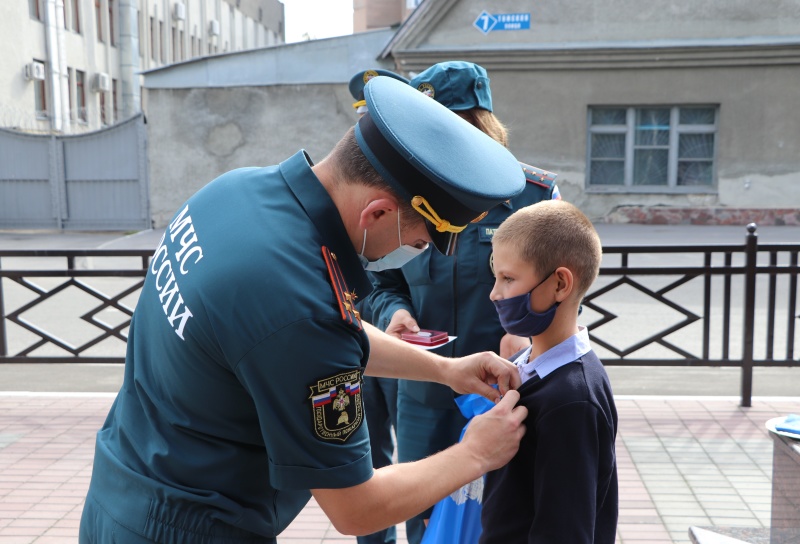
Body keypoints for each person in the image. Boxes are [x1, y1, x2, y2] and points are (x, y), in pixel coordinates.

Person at [78, 76, 530, 543]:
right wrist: (475, 453)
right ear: (376, 213)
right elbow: (357, 508)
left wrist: (446, 370)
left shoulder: (237, 191)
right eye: (417, 240)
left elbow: (328, 330)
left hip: (121, 490)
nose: (413, 252)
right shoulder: (298, 302)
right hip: (190, 528)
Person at [366, 60, 560, 544]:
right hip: (424, 386)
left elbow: (563, 287)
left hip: (502, 387)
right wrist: (395, 313)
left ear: (481, 125)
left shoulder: (530, 196)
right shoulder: (408, 196)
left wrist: (531, 337)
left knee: (499, 510)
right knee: (419, 506)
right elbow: (380, 282)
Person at [480, 200, 618, 543]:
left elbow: (565, 530)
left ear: (559, 284)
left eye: (508, 279)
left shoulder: (571, 401)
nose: (494, 293)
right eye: (495, 277)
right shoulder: (528, 365)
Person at [347, 67, 409, 544]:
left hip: (443, 358)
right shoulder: (355, 195)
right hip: (371, 345)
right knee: (371, 460)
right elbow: (354, 507)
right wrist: (391, 313)